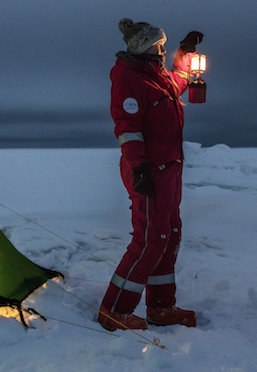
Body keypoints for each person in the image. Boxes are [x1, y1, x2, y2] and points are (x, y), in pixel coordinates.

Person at [98, 18, 203, 331]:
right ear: (145, 47)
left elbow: (180, 80)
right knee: (150, 238)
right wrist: (139, 167)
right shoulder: (130, 79)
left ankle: (161, 307)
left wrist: (186, 53)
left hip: (169, 170)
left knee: (169, 234)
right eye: (160, 46)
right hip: (148, 171)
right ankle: (115, 310)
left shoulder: (159, 77)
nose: (163, 51)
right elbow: (127, 127)